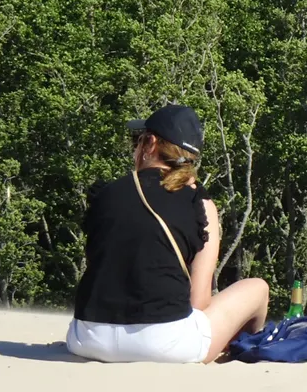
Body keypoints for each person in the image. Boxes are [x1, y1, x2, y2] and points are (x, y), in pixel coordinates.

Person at [66, 103, 269, 363]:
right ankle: (247, 350)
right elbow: (199, 301)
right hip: (162, 344)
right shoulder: (199, 204)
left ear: (150, 144)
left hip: (87, 338)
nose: (135, 148)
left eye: (136, 141)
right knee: (257, 288)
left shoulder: (105, 193)